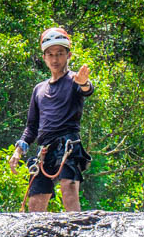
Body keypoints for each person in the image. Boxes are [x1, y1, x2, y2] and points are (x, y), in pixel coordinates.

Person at [9, 26, 95, 213]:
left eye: (60, 54)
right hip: (45, 150)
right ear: (44, 57)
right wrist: (18, 151)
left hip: (68, 145)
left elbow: (87, 89)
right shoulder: (39, 89)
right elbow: (31, 127)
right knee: (35, 203)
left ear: (68, 55)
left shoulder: (74, 80)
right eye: (51, 54)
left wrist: (84, 83)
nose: (55, 59)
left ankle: (77, 229)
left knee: (69, 191)